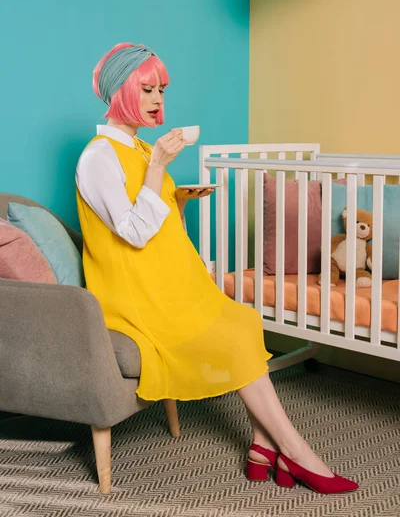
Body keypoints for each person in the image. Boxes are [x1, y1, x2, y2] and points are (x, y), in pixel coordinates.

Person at [75, 42, 358, 494]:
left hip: (168, 283)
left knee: (243, 320)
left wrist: (175, 200)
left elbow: (160, 224)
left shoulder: (140, 148)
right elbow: (133, 233)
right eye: (147, 89)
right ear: (120, 92)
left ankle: (263, 447)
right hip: (135, 296)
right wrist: (159, 168)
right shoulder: (98, 157)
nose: (158, 101)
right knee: (228, 335)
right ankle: (297, 454)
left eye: (162, 90)